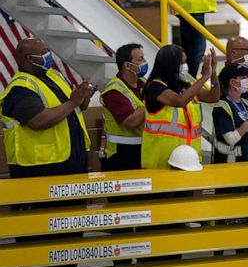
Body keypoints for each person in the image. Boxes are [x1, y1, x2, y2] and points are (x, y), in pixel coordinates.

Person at [0, 38, 96, 177]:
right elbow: (38, 121)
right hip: (41, 168)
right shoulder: (20, 88)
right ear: (29, 58)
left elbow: (72, 110)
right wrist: (73, 102)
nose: (49, 55)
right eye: (43, 52)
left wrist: (83, 97)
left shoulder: (55, 76)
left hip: (72, 162)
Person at [141, 44, 219, 169]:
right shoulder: (155, 87)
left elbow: (213, 97)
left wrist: (213, 73)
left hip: (189, 162)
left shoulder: (186, 86)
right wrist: (204, 77)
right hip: (161, 163)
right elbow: (179, 101)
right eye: (182, 62)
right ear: (170, 64)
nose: (185, 66)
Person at [100, 43, 147, 171]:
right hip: (121, 155)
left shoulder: (143, 84)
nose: (144, 62)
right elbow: (130, 122)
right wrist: (147, 105)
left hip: (142, 150)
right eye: (140, 59)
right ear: (127, 65)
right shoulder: (114, 91)